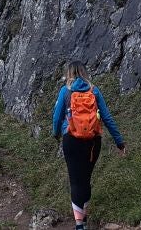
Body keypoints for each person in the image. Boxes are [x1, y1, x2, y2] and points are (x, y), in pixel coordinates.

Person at [51, 61, 126, 230]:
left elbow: (56, 118)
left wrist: (56, 134)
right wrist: (119, 142)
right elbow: (107, 118)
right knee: (85, 180)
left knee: (76, 182)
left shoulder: (65, 91)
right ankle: (83, 221)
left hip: (72, 140)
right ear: (85, 73)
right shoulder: (94, 91)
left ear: (69, 74)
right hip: (93, 142)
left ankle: (80, 225)